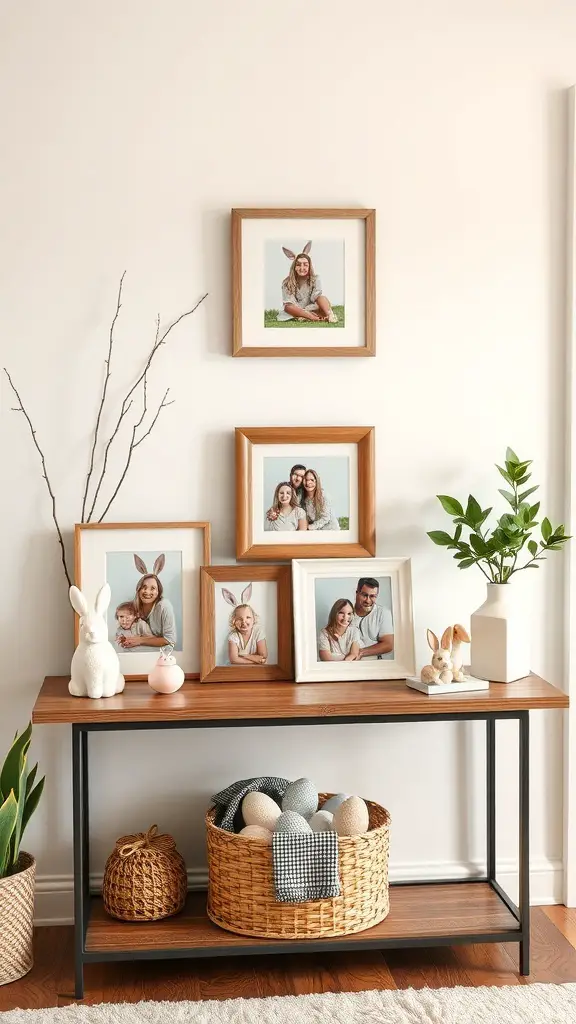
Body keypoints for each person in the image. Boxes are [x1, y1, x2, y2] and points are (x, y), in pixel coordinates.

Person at [276, 246, 338, 324]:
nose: (302, 268)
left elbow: (316, 296)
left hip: (311, 307)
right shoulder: (287, 282)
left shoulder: (315, 279)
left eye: (305, 265)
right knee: (287, 307)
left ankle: (330, 315)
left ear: (309, 267)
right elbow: (289, 303)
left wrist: (311, 307)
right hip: (296, 309)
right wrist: (306, 313)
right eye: (298, 265)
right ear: (294, 267)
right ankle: (312, 317)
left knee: (321, 297)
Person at [118, 573, 177, 649]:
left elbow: (170, 639)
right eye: (144, 587)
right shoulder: (132, 608)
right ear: (138, 590)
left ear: (158, 592)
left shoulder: (164, 606)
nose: (147, 592)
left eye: (152, 588)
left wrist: (140, 640)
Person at [351, 577, 394, 660]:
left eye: (372, 596)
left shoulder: (383, 613)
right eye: (364, 595)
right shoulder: (346, 614)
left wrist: (361, 652)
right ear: (357, 593)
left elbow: (388, 645)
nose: (368, 600)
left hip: (375, 664)